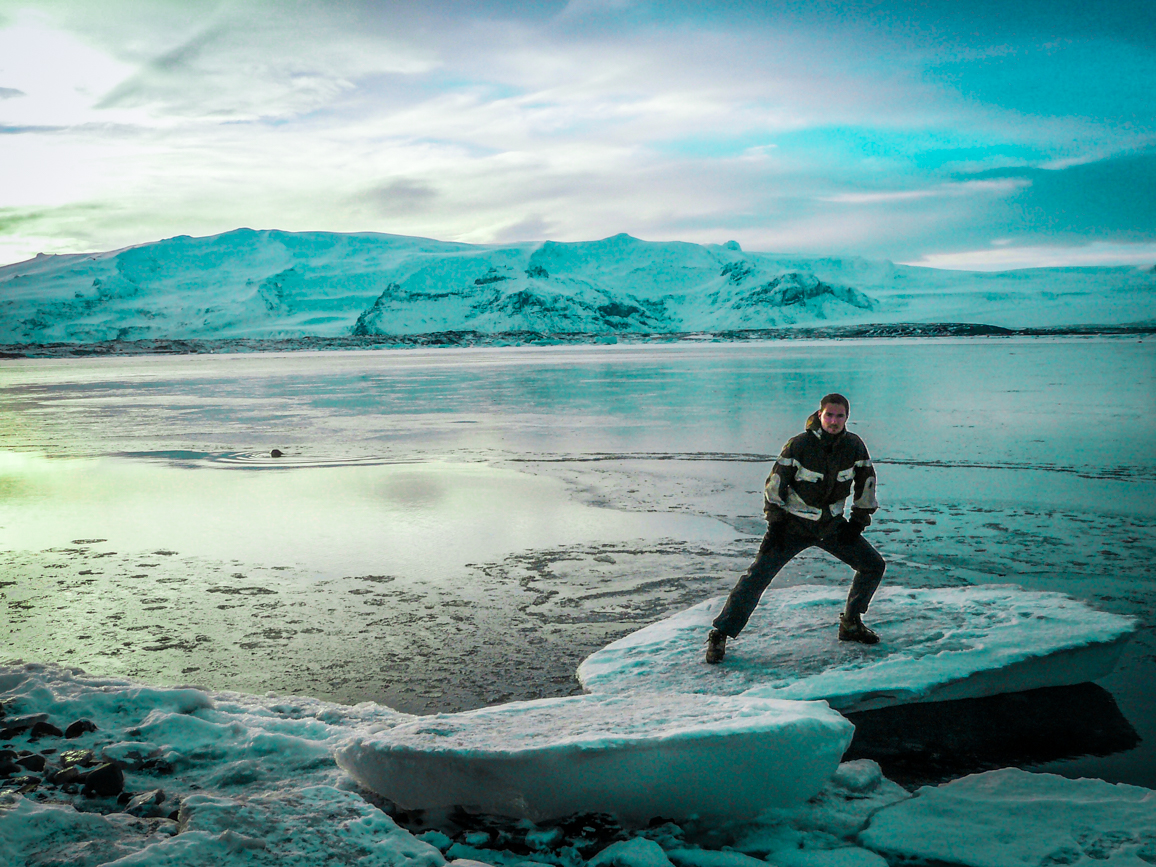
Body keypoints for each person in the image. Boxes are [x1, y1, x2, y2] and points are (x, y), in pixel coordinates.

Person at [706, 393, 885, 663]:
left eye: (840, 416)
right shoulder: (799, 445)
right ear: (820, 414)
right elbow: (775, 486)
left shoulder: (855, 447)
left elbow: (866, 483)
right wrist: (775, 524)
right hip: (792, 527)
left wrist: (858, 521)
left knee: (873, 565)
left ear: (847, 418)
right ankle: (720, 634)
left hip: (832, 526)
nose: (834, 421)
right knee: (757, 578)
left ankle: (851, 623)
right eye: (829, 415)